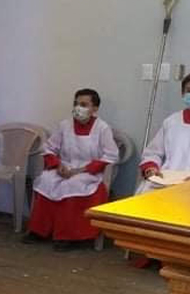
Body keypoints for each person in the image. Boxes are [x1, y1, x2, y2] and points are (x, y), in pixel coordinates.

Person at [22, 88, 119, 251]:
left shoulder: (102, 128)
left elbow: (111, 156)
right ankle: (39, 231)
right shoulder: (64, 125)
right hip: (64, 167)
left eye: (83, 104)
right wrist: (57, 165)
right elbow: (48, 148)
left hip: (87, 172)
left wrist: (80, 170)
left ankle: (68, 236)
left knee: (72, 185)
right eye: (76, 103)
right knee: (46, 180)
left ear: (94, 109)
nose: (77, 108)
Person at [137, 71, 190, 193]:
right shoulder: (172, 122)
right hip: (166, 182)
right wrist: (151, 168)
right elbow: (153, 152)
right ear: (183, 93)